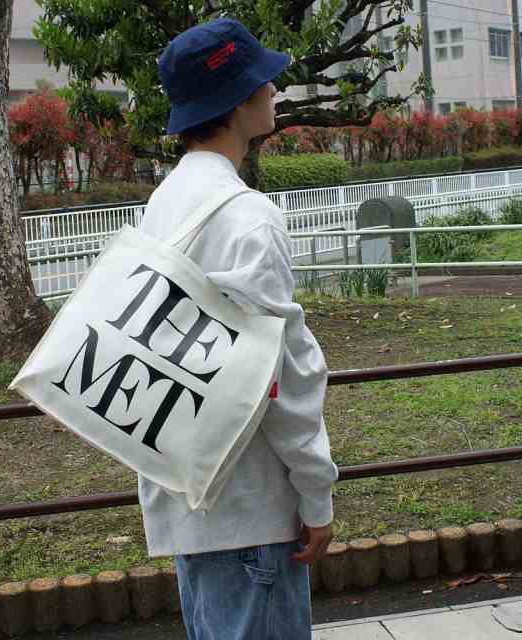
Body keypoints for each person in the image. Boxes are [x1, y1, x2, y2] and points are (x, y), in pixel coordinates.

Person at [137, 18, 338, 640]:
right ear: (239, 101)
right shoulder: (248, 218)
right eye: (264, 83)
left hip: (185, 490)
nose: (273, 92)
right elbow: (280, 377)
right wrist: (317, 494)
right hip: (251, 505)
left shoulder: (165, 202)